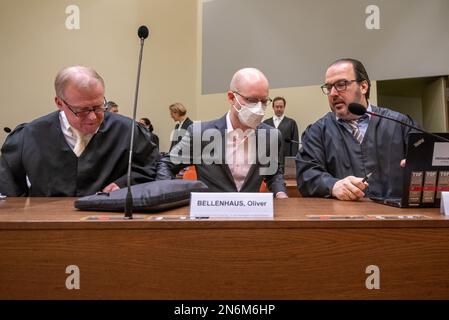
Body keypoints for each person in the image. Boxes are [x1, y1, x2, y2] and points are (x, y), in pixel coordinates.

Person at [0, 65, 159, 196]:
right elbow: (8, 181)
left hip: (109, 223)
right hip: (48, 225)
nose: (92, 117)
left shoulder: (128, 131)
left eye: (98, 107)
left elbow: (149, 168)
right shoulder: (30, 136)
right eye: (81, 110)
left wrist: (125, 183)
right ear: (59, 103)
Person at [296, 58, 419, 201]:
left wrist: (420, 166)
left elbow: (430, 162)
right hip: (344, 218)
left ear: (363, 86)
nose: (333, 94)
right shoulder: (317, 132)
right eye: (329, 88)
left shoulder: (399, 124)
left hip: (397, 217)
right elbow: (306, 174)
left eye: (341, 85)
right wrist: (333, 185)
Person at [157, 68, 288, 198]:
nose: (259, 108)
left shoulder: (272, 136)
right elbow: (166, 164)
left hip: (250, 214)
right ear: (231, 98)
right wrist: (168, 195)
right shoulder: (200, 134)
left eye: (264, 101)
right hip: (211, 215)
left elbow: (274, 174)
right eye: (251, 100)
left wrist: (280, 193)